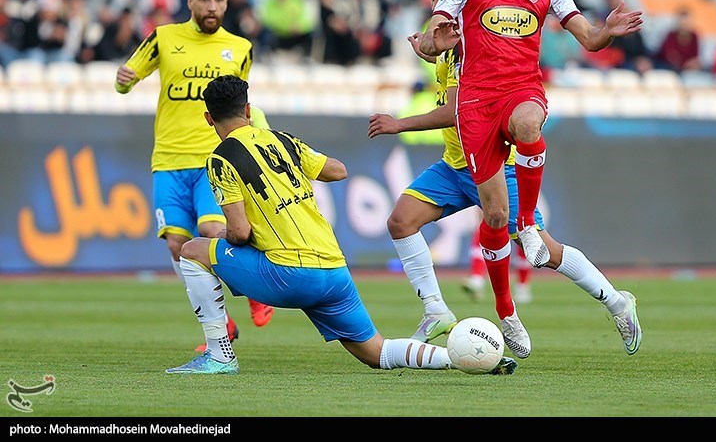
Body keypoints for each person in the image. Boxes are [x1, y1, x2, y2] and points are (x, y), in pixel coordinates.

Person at [371, 0, 643, 357]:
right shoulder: (451, 39)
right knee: (400, 221)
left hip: (498, 166)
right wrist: (429, 47)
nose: (433, 3)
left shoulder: (486, 42)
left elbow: (456, 108)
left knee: (544, 251)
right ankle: (436, 310)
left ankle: (617, 302)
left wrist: (401, 124)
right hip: (455, 164)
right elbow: (436, 50)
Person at [166, 74, 518, 375]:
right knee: (375, 352)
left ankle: (219, 355)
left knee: (193, 250)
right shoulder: (283, 140)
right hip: (334, 270)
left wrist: (231, 237)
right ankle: (467, 359)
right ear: (247, 110)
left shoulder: (220, 159)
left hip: (286, 274)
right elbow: (338, 170)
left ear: (209, 120)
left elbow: (240, 233)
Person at [115, 0, 274, 353]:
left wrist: (262, 134)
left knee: (214, 233)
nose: (212, 6)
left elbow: (242, 104)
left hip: (214, 160)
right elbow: (129, 76)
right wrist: (124, 80)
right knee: (175, 245)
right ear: (190, 1)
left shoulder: (240, 48)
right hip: (167, 160)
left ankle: (254, 288)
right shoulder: (165, 38)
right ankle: (223, 325)